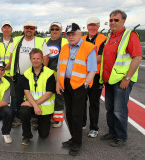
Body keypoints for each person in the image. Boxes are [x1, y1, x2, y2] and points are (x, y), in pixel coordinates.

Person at [99, 10, 142, 147]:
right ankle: (112, 132)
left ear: (123, 21)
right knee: (110, 108)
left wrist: (127, 78)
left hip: (122, 80)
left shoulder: (130, 36)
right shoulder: (109, 37)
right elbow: (105, 58)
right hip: (110, 80)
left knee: (119, 110)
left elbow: (137, 57)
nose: (112, 22)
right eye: (111, 20)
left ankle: (121, 137)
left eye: (116, 20)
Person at [57, 23, 97, 156]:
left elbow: (92, 70)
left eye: (73, 34)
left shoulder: (88, 47)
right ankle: (73, 138)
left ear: (80, 34)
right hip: (66, 84)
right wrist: (58, 83)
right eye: (68, 34)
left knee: (77, 115)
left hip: (80, 86)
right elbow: (60, 68)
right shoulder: (64, 48)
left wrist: (86, 84)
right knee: (68, 114)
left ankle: (77, 142)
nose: (71, 37)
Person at [8, 21, 49, 127]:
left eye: (31, 28)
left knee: (34, 96)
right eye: (27, 27)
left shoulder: (40, 41)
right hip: (20, 75)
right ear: (24, 29)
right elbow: (12, 56)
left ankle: (34, 118)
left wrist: (42, 73)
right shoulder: (16, 40)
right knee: (18, 97)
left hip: (35, 75)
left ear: (34, 29)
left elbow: (46, 57)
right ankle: (19, 117)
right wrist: (12, 71)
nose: (29, 30)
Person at [20, 48, 56, 146]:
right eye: (34, 58)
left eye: (38, 58)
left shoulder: (50, 73)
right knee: (23, 111)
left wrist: (35, 105)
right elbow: (26, 92)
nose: (36, 61)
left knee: (43, 135)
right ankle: (27, 136)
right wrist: (35, 106)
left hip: (44, 107)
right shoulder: (27, 73)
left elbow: (49, 93)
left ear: (42, 59)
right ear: (30, 59)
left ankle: (39, 121)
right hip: (32, 105)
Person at [81, 17, 107, 137]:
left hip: (96, 76)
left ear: (98, 26)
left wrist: (84, 60)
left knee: (94, 103)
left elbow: (101, 57)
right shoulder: (82, 39)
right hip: (82, 75)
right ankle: (82, 123)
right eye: (90, 25)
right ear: (87, 26)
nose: (92, 27)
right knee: (81, 101)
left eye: (95, 25)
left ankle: (94, 128)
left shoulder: (103, 39)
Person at [44, 22, 68, 128]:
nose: (54, 31)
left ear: (61, 31)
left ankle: (58, 118)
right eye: (52, 29)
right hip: (47, 73)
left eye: (57, 29)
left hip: (60, 74)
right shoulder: (45, 41)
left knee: (59, 96)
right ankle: (49, 116)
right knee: (48, 95)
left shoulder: (65, 42)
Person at [0, 21, 16, 120]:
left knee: (12, 95)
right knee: (0, 94)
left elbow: (16, 56)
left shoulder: (15, 41)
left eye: (8, 28)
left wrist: (10, 64)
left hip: (10, 73)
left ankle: (12, 116)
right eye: (4, 28)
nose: (6, 30)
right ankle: (0, 114)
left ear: (11, 30)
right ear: (1, 30)